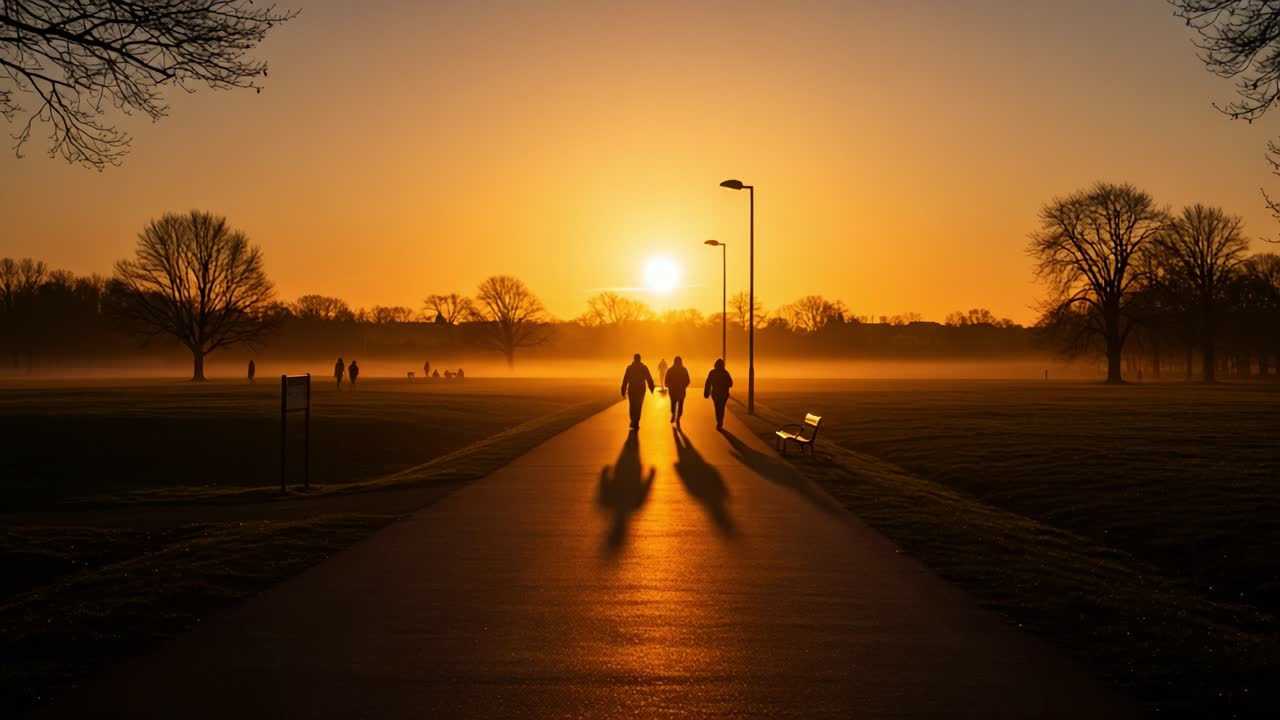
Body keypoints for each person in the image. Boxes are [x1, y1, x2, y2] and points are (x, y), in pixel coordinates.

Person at [620, 353, 655, 430]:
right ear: (640, 359)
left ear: (634, 359)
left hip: (632, 389)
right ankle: (636, 421)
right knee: (639, 406)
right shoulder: (644, 368)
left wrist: (623, 389)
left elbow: (625, 380)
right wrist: (651, 387)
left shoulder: (629, 368)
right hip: (641, 389)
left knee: (632, 405)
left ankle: (633, 420)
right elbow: (649, 378)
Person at [703, 358, 733, 430]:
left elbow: (708, 383)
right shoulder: (725, 373)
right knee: (721, 408)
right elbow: (731, 384)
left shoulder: (712, 372)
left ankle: (719, 421)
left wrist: (706, 392)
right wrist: (724, 385)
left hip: (715, 393)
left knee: (717, 408)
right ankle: (720, 421)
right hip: (724, 394)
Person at [664, 356, 691, 427]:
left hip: (672, 390)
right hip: (681, 390)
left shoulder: (670, 370)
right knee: (680, 404)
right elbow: (688, 380)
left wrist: (668, 385)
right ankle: (678, 417)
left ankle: (673, 414)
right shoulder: (684, 370)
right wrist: (684, 385)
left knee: (673, 403)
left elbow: (666, 380)